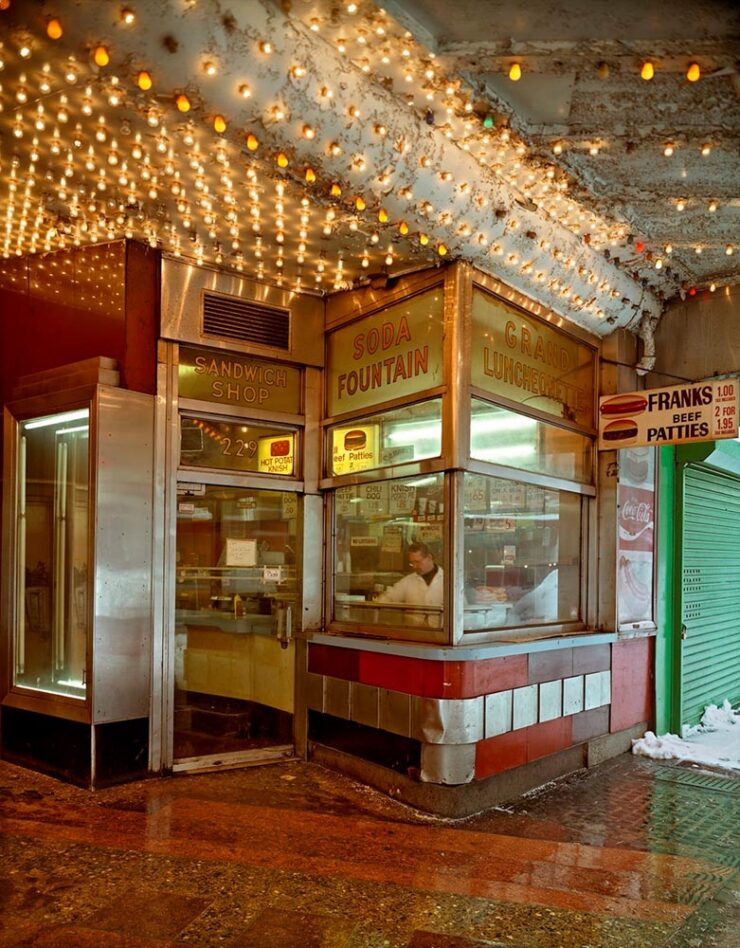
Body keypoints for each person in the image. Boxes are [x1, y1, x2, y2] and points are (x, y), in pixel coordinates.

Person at [377, 541, 443, 609]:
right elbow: (387, 597)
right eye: (412, 563)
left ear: (429, 557)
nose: (414, 566)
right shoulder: (407, 581)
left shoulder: (446, 580)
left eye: (417, 562)